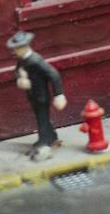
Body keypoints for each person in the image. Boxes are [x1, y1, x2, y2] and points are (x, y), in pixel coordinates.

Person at [7, 30, 66, 161]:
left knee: (42, 118)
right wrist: (20, 79)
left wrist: (59, 94)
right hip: (32, 94)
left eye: (16, 48)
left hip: (41, 95)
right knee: (41, 117)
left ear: (23, 47)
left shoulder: (35, 60)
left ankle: (43, 142)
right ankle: (52, 137)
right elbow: (18, 71)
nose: (14, 51)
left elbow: (54, 74)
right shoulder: (22, 60)